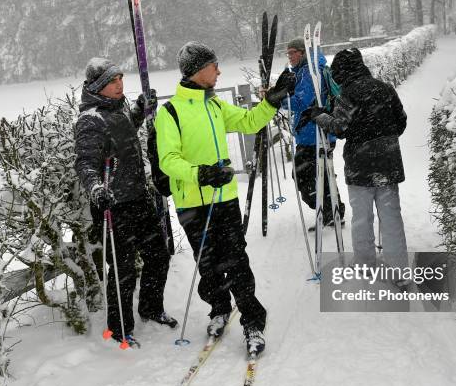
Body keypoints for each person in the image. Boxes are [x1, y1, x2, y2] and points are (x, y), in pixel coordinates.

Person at [154, 42, 295, 356]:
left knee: (236, 259)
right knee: (208, 262)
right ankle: (219, 307)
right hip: (191, 201)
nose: (218, 71)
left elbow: (248, 122)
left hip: (224, 198)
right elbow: (168, 160)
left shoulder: (215, 106)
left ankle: (253, 319)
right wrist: (200, 173)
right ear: (197, 70)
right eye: (213, 66)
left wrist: (271, 101)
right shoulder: (171, 112)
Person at [74, 57, 177, 348]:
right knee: (122, 269)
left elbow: (122, 132)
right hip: (113, 205)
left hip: (138, 198)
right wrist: (96, 188)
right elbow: (85, 163)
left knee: (158, 255)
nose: (120, 84)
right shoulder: (89, 120)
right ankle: (119, 329)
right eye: (112, 81)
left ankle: (151, 307)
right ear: (98, 88)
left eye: (120, 78)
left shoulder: (117, 109)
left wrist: (139, 112)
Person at [297, 47, 408, 272]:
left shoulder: (348, 93)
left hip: (360, 167)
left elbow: (339, 127)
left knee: (362, 218)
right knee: (392, 218)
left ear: (343, 71)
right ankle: (399, 268)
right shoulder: (385, 88)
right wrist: (382, 136)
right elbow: (401, 122)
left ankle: (365, 264)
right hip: (388, 163)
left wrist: (319, 115)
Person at [281, 38, 345, 228]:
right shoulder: (306, 70)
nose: (290, 56)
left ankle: (328, 210)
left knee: (302, 176)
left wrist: (279, 100)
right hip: (315, 132)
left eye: (293, 52)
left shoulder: (310, 72)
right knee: (323, 174)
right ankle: (333, 211)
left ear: (302, 53)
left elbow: (301, 102)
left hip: (315, 133)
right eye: (288, 53)